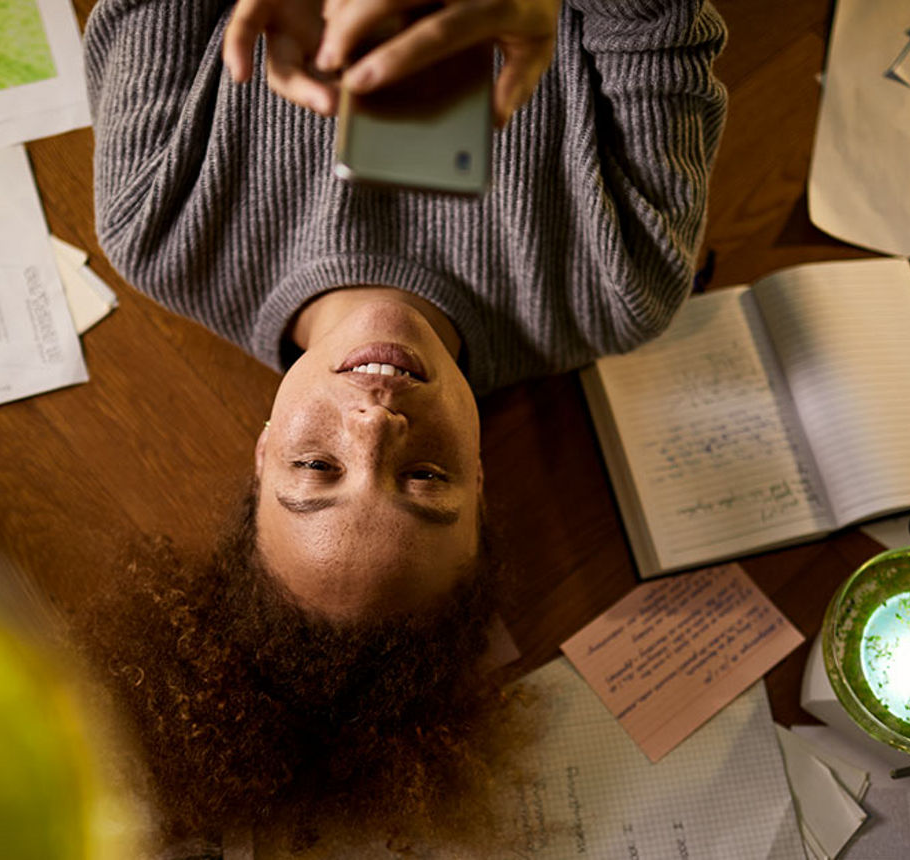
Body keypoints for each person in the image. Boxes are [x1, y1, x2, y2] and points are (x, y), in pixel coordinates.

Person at [78, 0, 726, 853]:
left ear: (264, 451)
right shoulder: (620, 281)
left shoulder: (159, 223)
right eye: (423, 480)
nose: (375, 425)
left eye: (316, 468)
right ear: (481, 488)